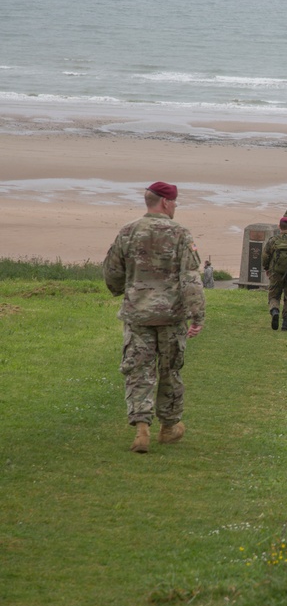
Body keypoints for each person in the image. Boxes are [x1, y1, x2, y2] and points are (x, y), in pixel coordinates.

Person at [103, 181, 205, 453]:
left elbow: (112, 272)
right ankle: (169, 426)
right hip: (171, 317)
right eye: (174, 203)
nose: (175, 207)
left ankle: (141, 429)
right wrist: (197, 316)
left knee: (139, 369)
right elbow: (191, 279)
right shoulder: (181, 233)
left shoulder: (129, 231)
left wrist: (124, 291)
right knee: (169, 369)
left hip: (137, 315)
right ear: (165, 203)